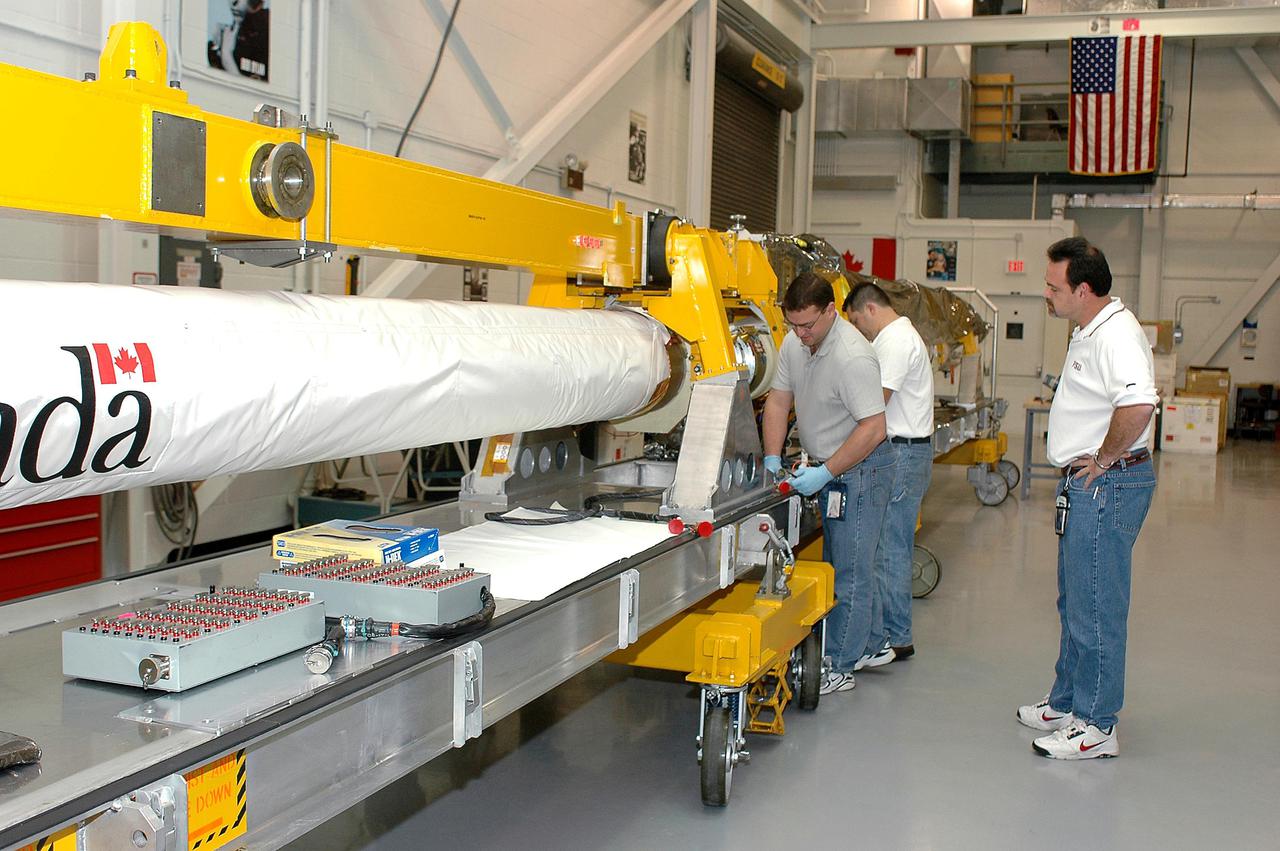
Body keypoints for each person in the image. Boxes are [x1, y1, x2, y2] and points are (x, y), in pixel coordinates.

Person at [1017, 237, 1157, 760]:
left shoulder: (1116, 334)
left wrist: (1101, 461)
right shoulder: (1086, 328)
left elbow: (1139, 404)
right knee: (1075, 600)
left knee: (1096, 607)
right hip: (1088, 486)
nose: (1045, 294)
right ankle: (1067, 701)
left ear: (1083, 288)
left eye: (1053, 286)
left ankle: (1097, 725)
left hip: (1109, 484)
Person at [762, 272, 894, 695]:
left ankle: (839, 662)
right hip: (827, 464)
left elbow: (873, 427)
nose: (801, 334)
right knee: (846, 559)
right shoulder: (793, 344)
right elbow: (779, 400)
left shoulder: (852, 356)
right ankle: (871, 643)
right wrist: (771, 456)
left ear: (831, 312)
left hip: (862, 468)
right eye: (793, 325)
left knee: (850, 569)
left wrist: (827, 471)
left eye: (808, 325)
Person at [844, 281, 934, 664]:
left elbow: (873, 402)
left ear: (869, 310)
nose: (858, 330)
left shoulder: (894, 341)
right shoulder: (899, 336)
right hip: (905, 451)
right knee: (889, 545)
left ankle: (892, 638)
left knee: (886, 549)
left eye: (855, 321)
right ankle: (893, 635)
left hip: (901, 454)